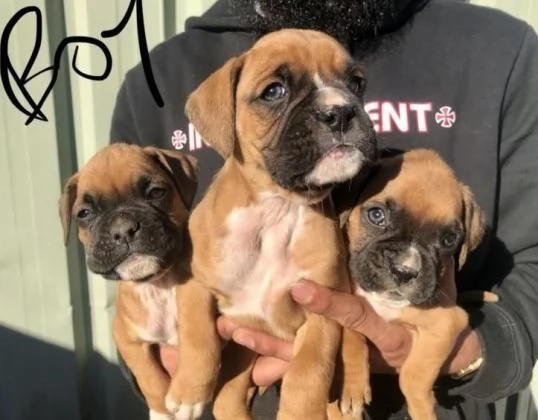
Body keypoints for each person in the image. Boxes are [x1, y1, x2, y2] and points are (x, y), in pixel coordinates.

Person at [109, 0, 538, 418]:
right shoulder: (157, 82)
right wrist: (171, 365)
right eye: (274, 92)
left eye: (352, 85)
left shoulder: (500, 51)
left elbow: (531, 256)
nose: (338, 110)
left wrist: (467, 349)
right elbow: (134, 278)